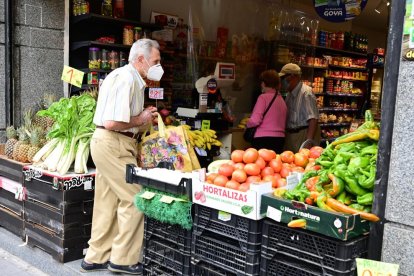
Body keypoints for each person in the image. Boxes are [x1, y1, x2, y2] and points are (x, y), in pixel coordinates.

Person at [81, 39, 163, 275]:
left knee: (107, 200)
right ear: (140, 59)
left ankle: (97, 256)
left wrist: (141, 119)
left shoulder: (129, 79)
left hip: (108, 143)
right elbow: (112, 122)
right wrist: (142, 119)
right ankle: (123, 260)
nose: (159, 66)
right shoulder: (126, 79)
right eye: (155, 61)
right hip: (113, 142)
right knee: (135, 197)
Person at [279, 63, 320, 153]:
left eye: (283, 78)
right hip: (291, 135)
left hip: (302, 134)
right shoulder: (289, 93)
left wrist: (308, 142)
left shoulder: (306, 93)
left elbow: (313, 119)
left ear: (292, 76)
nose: (282, 81)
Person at [246, 69, 287, 153]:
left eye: (261, 82)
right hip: (280, 139)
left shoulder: (263, 97)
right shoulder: (281, 100)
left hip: (263, 139)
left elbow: (255, 120)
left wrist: (247, 123)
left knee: (260, 164)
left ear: (264, 83)